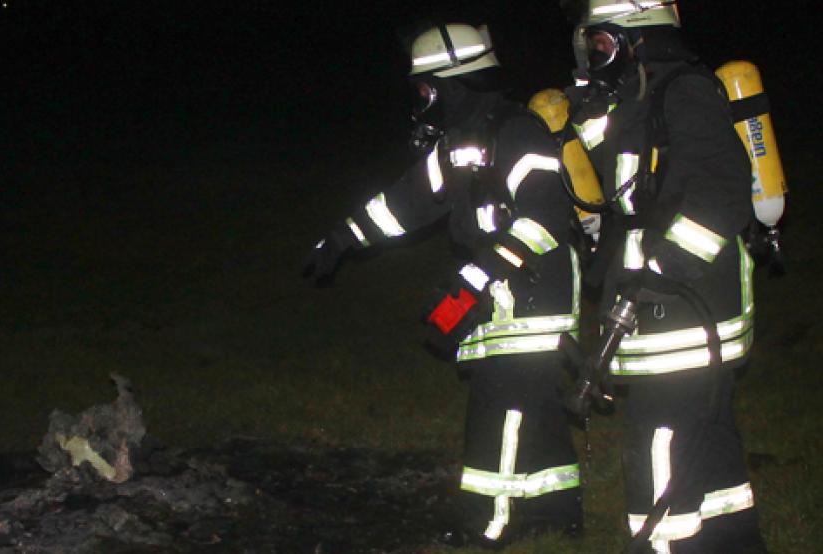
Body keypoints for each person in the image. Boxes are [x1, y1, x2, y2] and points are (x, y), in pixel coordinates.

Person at [301, 22, 583, 548]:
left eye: (428, 89)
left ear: (456, 83)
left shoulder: (517, 132)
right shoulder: (461, 141)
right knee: (535, 401)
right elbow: (406, 201)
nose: (423, 101)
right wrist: (344, 238)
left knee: (501, 404)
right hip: (497, 286)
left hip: (532, 291)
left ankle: (489, 521)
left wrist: (479, 276)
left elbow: (545, 218)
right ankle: (558, 509)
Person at [561, 1, 767, 552]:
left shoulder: (685, 92)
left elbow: (722, 191)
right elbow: (619, 180)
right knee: (708, 441)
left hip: (684, 315)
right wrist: (584, 109)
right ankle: (731, 542)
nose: (594, 57)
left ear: (639, 40)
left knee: (659, 444)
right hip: (673, 314)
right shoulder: (641, 98)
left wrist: (661, 271)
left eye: (602, 45)